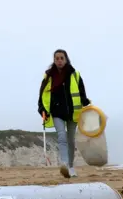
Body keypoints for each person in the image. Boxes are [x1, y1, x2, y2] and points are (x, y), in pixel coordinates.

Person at [37, 49, 91, 178]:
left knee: (71, 140)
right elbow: (42, 95)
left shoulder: (75, 74)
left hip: (73, 112)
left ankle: (71, 167)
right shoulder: (48, 76)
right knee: (61, 137)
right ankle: (65, 164)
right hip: (56, 112)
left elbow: (81, 92)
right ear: (54, 60)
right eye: (57, 58)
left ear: (66, 59)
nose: (59, 60)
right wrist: (42, 109)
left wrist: (85, 102)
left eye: (62, 58)